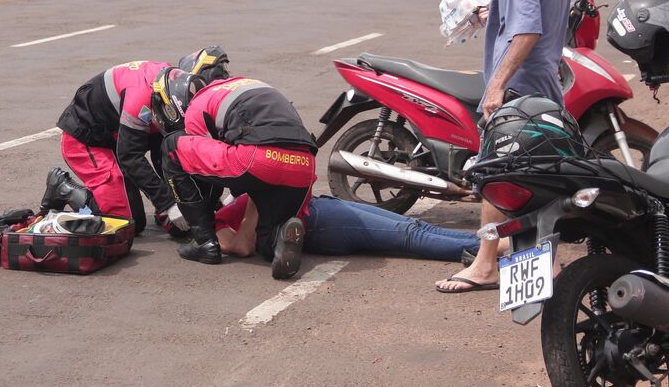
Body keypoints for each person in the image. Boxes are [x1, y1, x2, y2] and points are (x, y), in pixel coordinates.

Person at [436, 0, 571, 293]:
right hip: (543, 84)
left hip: (520, 90)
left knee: (495, 172)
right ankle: (548, 263)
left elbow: (529, 29)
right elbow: (535, 13)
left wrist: (495, 87)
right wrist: (494, 14)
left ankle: (484, 265)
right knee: (534, 175)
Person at [153, 68, 317, 280]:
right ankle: (277, 238)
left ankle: (204, 243)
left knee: (171, 147)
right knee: (265, 242)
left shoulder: (197, 106)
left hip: (257, 159)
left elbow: (205, 167)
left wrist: (203, 214)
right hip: (304, 166)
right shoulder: (250, 84)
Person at [53, 59, 187, 236]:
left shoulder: (176, 84)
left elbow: (166, 153)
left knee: (170, 144)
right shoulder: (140, 100)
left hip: (115, 132)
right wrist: (168, 204)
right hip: (85, 140)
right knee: (126, 223)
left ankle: (161, 208)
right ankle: (63, 188)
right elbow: (130, 156)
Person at [216, 194, 481, 261]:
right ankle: (493, 247)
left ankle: (489, 242)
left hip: (323, 209)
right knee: (410, 235)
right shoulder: (215, 222)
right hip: (321, 223)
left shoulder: (226, 207)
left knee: (415, 226)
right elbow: (241, 246)